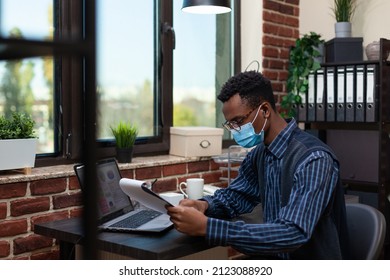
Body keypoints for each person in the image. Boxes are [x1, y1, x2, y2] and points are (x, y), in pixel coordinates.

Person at [167, 71, 349, 259]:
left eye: (239, 121)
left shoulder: (314, 159)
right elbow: (236, 197)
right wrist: (204, 206)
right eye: (231, 125)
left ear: (265, 111)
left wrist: (208, 227)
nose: (236, 130)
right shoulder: (260, 154)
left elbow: (293, 232)